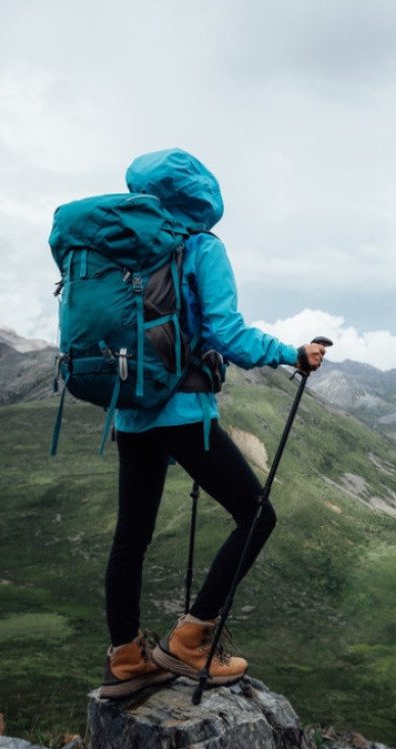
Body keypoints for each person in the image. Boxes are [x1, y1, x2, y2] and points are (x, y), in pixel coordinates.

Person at [98, 148, 326, 699]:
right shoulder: (200, 246)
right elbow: (227, 334)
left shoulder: (115, 248)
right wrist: (293, 352)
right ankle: (191, 641)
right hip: (181, 411)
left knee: (131, 537)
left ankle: (127, 661)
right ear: (202, 196)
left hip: (130, 411)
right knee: (255, 515)